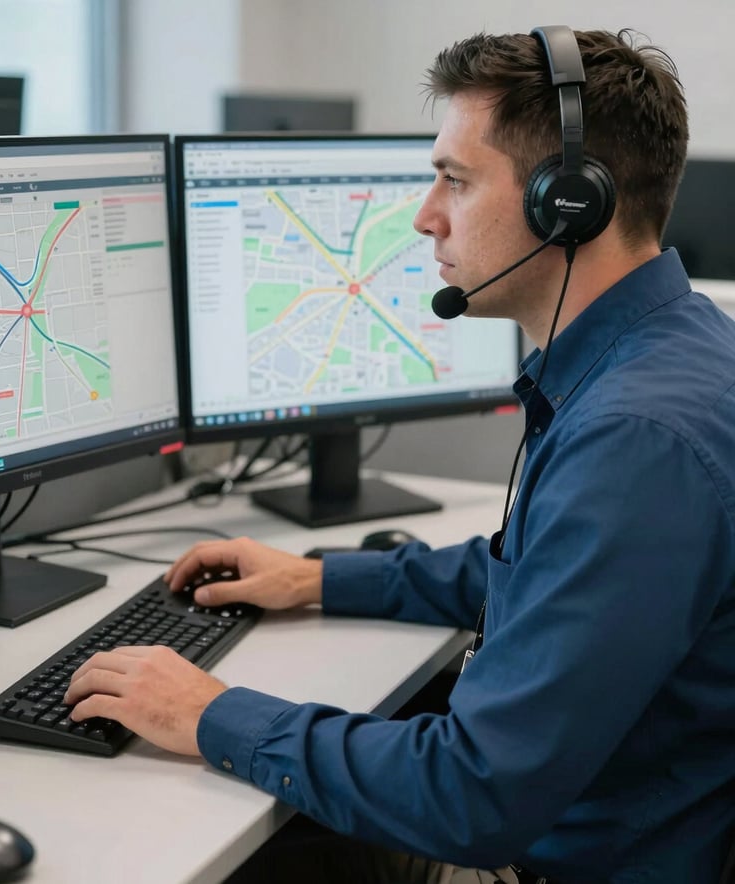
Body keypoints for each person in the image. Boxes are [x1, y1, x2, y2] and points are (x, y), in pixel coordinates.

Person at [63, 26, 735, 884]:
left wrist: (210, 712)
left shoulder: (638, 442)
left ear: (566, 203)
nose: (425, 216)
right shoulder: (671, 354)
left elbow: (470, 795)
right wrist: (319, 579)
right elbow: (547, 574)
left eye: (454, 179)